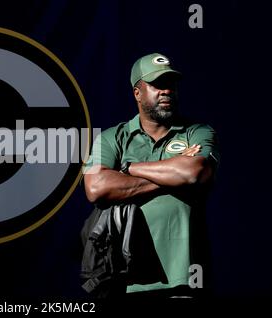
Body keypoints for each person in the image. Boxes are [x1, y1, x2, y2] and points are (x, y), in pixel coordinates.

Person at [83, 52, 219, 299]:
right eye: (157, 85)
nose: (166, 91)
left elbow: (194, 173)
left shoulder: (197, 132)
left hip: (186, 278)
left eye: (170, 84)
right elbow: (96, 187)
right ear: (137, 93)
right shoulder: (111, 138)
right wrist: (172, 170)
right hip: (126, 280)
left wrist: (128, 168)